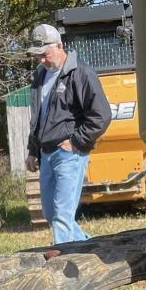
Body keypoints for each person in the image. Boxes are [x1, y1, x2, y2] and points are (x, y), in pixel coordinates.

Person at [25, 23, 111, 244]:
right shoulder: (40, 76)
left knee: (62, 214)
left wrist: (76, 141)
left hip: (69, 154)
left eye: (44, 54)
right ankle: (90, 247)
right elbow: (38, 118)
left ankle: (63, 260)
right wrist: (33, 150)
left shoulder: (80, 73)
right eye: (37, 56)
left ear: (59, 45)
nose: (41, 60)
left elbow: (101, 115)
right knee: (50, 214)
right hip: (46, 154)